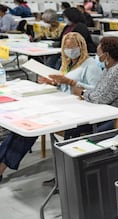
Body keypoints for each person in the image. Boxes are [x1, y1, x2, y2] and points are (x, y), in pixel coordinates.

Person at [0, 33, 102, 182]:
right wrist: (52, 82)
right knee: (22, 127)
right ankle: (2, 164)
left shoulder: (90, 64)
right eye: (66, 47)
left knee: (31, 128)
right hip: (61, 103)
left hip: (78, 110)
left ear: (81, 47)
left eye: (72, 47)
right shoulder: (67, 63)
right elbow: (63, 83)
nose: (69, 50)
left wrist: (70, 82)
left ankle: (2, 167)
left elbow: (96, 90)